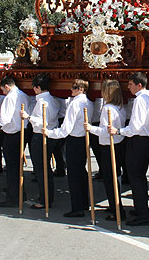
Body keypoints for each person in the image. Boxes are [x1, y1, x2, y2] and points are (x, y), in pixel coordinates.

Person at [107, 72, 149, 226]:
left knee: (136, 177)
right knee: (139, 176)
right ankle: (140, 207)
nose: (128, 87)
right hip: (148, 140)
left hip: (139, 140)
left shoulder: (140, 100)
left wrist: (119, 131)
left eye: (130, 84)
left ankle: (143, 214)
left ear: (139, 85)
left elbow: (135, 126)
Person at [44, 79, 94, 217]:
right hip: (83, 139)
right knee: (81, 172)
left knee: (73, 175)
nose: (71, 90)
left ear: (82, 89)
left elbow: (66, 128)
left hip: (74, 139)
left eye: (75, 87)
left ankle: (77, 207)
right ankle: (84, 202)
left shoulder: (75, 104)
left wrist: (49, 133)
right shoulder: (88, 103)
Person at [0, 76, 30, 207]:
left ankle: (13, 197)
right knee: (16, 166)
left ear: (7, 86)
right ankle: (19, 192)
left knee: (12, 167)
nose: (2, 92)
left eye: (2, 89)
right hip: (21, 132)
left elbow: (5, 119)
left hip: (12, 133)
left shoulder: (10, 97)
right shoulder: (23, 95)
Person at [85, 80, 127, 221]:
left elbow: (105, 131)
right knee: (115, 177)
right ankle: (114, 205)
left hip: (109, 145)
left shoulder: (108, 108)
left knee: (110, 179)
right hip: (118, 144)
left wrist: (91, 128)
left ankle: (117, 210)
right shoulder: (120, 107)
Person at [24, 74, 60, 210]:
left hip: (41, 135)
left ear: (38, 87)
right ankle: (46, 197)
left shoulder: (42, 102)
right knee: (45, 169)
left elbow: (41, 121)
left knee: (41, 169)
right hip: (50, 133)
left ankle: (45, 199)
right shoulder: (53, 99)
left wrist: (28, 117)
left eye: (34, 88)